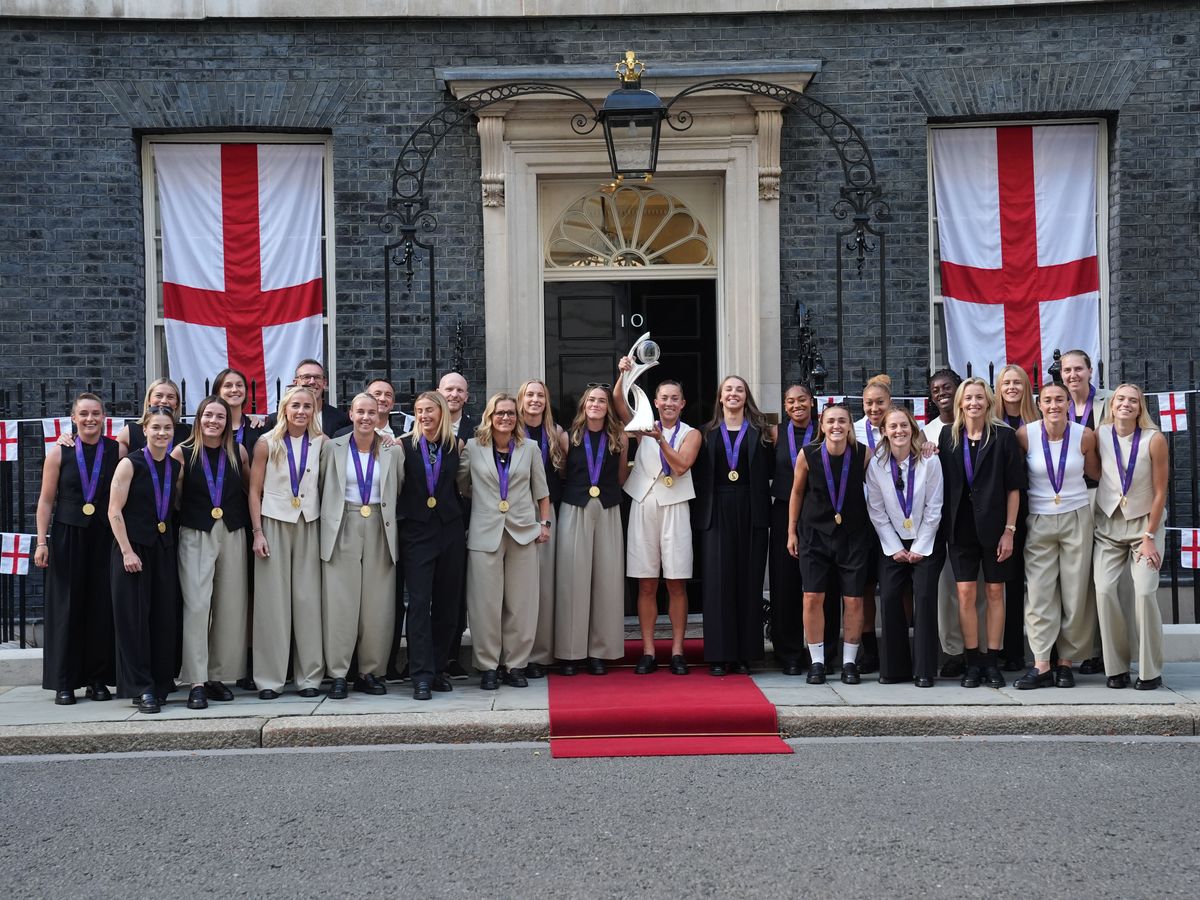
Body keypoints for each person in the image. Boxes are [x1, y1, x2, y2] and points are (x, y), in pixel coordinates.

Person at [457, 392, 551, 689]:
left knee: (521, 603)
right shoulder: (473, 448)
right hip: (485, 533)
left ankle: (515, 665)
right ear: (490, 416)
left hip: (523, 531)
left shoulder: (530, 448)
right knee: (485, 604)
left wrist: (544, 524)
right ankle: (487, 665)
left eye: (511, 413)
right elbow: (462, 485)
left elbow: (542, 491)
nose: (506, 418)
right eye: (500, 413)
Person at [614, 361, 702, 676]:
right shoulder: (642, 423)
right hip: (644, 502)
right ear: (655, 400)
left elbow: (680, 467)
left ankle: (678, 651)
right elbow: (618, 402)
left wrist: (660, 439)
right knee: (647, 583)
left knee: (677, 582)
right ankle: (649, 650)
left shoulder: (691, 434)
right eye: (663, 397)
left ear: (682, 403)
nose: (668, 403)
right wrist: (624, 372)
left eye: (674, 398)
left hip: (676, 504)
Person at [938, 377, 1025, 689]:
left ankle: (992, 659)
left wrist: (1010, 531)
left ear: (988, 402)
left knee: (994, 593)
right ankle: (972, 659)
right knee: (964, 594)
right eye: (968, 398)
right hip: (960, 529)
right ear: (960, 402)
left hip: (996, 529)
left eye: (979, 397)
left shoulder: (1004, 436)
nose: (973, 403)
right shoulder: (948, 439)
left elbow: (1014, 488)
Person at [1013, 382, 1100, 689]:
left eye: (1059, 400)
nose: (1053, 405)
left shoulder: (1084, 435)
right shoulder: (1025, 434)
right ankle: (1041, 663)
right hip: (1039, 519)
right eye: (1047, 400)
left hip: (1076, 516)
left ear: (1068, 403)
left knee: (1075, 592)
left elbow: (1095, 474)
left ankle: (1066, 662)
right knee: (1039, 592)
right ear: (1039, 404)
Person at [34, 392, 119, 705]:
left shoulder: (115, 450)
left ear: (104, 417)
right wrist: (42, 541)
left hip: (103, 535)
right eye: (83, 414)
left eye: (95, 413)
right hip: (69, 534)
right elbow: (45, 500)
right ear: (73, 417)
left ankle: (97, 680)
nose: (90, 419)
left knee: (100, 607)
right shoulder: (60, 451)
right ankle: (65, 681)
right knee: (66, 608)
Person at [319, 393, 402, 699]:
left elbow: (399, 488)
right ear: (351, 414)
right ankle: (339, 672)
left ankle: (370, 672)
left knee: (376, 605)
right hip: (344, 524)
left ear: (380, 414)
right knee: (341, 603)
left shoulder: (393, 450)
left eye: (372, 412)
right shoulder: (333, 448)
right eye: (360, 412)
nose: (366, 417)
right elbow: (322, 486)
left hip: (380, 525)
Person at [171, 396, 251, 710]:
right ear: (199, 418)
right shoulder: (184, 452)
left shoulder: (238, 452)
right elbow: (173, 495)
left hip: (232, 532)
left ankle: (218, 675)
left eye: (219, 416)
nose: (213, 421)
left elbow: (248, 489)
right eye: (208, 415)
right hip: (196, 532)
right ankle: (196, 680)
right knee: (197, 606)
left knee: (229, 606)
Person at [694, 375, 773, 676]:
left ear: (746, 396)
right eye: (728, 390)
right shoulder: (706, 433)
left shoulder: (761, 433)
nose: (733, 394)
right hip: (716, 511)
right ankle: (718, 654)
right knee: (718, 583)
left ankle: (744, 654)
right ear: (720, 397)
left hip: (751, 510)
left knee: (749, 582)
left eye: (739, 390)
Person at [249, 386, 325, 700]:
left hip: (310, 524)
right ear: (285, 408)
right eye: (296, 405)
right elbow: (254, 491)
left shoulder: (324, 444)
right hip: (274, 523)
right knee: (272, 604)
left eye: (307, 406)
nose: (301, 411)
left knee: (309, 602)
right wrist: (257, 532)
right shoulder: (267, 443)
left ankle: (309, 677)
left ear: (314, 410)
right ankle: (269, 679)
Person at [1093, 384, 1169, 690]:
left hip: (1144, 529)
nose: (1126, 404)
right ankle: (1117, 668)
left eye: (1133, 401)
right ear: (1111, 405)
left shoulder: (1155, 439)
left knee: (1144, 592)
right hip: (1109, 527)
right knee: (1104, 590)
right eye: (1120, 399)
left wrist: (1150, 535)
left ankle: (1150, 670)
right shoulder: (1098, 435)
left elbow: (1161, 490)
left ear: (1140, 408)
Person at [786, 402, 869, 684]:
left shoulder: (863, 454)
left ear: (850, 425)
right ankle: (818, 662)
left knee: (854, 599)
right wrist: (791, 532)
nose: (836, 426)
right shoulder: (807, 454)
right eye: (831, 421)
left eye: (842, 421)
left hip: (853, 535)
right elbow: (796, 493)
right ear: (821, 425)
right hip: (814, 534)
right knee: (812, 597)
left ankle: (849, 662)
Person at [107, 406, 180, 714]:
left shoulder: (174, 466)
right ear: (145, 429)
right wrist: (126, 551)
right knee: (134, 620)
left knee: (164, 617)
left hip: (162, 547)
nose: (162, 433)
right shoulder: (129, 464)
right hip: (133, 548)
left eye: (167, 428)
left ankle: (161, 681)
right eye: (156, 428)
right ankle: (141, 687)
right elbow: (113, 510)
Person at [866, 406, 945, 687]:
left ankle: (924, 669)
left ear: (912, 429)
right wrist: (894, 547)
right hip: (892, 543)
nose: (899, 431)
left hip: (926, 541)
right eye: (893, 427)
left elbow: (935, 507)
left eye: (904, 426)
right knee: (888, 597)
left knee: (923, 598)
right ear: (884, 432)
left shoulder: (929, 461)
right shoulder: (876, 465)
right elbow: (876, 510)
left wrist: (920, 547)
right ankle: (894, 669)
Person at [554, 385, 630, 675]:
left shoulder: (619, 437)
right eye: (591, 400)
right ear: (583, 405)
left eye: (601, 401)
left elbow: (622, 475)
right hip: (575, 508)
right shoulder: (566, 437)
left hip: (609, 509)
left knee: (607, 582)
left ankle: (601, 652)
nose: (596, 404)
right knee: (573, 580)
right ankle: (571, 653)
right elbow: (562, 472)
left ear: (608, 407)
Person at [398, 391, 466, 700]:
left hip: (449, 531)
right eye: (419, 410)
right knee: (420, 603)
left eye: (430, 410)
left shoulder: (457, 446)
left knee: (447, 604)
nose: (424, 415)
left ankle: (438, 669)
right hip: (417, 534)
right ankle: (420, 674)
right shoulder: (402, 445)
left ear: (441, 413)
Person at [1060, 349, 1110, 674]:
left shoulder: (1108, 401)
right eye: (1067, 370)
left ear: (1090, 371)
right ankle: (1088, 648)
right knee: (1078, 577)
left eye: (1079, 368)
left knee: (1101, 577)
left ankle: (1107, 652)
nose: (1073, 375)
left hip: (1102, 497)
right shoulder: (1056, 405)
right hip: (1069, 499)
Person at [923, 367, 974, 678]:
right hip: (941, 521)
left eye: (947, 387)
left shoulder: (978, 425)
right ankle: (954, 651)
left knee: (977, 588)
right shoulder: (926, 433)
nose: (941, 393)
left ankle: (978, 648)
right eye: (935, 390)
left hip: (975, 518)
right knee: (947, 589)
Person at [769, 383, 820, 675]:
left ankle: (821, 650)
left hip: (817, 512)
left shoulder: (823, 430)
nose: (796, 405)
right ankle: (787, 652)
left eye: (802, 399)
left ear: (811, 403)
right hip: (783, 511)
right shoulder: (775, 434)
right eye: (790, 401)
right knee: (784, 582)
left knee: (818, 583)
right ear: (785, 406)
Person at [516, 378, 565, 679]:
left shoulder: (556, 434)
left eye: (540, 396)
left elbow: (565, 472)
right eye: (530, 395)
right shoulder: (509, 432)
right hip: (517, 514)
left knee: (544, 586)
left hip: (546, 512)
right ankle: (517, 651)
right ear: (521, 399)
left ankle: (540, 654)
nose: (535, 400)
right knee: (520, 586)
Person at [992, 363, 1040, 672]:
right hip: (1005, 508)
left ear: (1025, 387)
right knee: (1005, 580)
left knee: (1034, 581)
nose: (1011, 387)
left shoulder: (1037, 420)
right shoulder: (992, 423)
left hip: (1038, 506)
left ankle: (1041, 648)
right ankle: (1009, 650)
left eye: (1017, 382)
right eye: (1006, 382)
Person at [853, 374, 893, 673]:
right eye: (869, 403)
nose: (874, 408)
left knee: (896, 587)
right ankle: (869, 650)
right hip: (862, 519)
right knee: (865, 586)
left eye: (880, 402)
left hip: (897, 519)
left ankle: (898, 642)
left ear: (889, 402)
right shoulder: (853, 431)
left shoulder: (901, 428)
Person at [440, 370, 475, 679]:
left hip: (463, 518)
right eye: (449, 389)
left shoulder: (477, 430)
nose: (453, 394)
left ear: (466, 396)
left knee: (457, 589)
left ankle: (451, 655)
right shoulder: (421, 424)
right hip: (428, 521)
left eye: (459, 390)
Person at [264, 360, 350, 438]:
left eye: (317, 377)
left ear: (324, 383)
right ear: (295, 383)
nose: (312, 382)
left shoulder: (341, 419)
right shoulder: (274, 421)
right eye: (306, 377)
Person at [119, 379, 192, 455]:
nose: (164, 401)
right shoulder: (131, 431)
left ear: (176, 403)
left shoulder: (188, 432)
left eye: (170, 397)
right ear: (149, 400)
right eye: (159, 396)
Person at [212, 368, 268, 454]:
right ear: (217, 392)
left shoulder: (257, 429)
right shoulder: (208, 428)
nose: (234, 390)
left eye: (239, 385)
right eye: (228, 385)